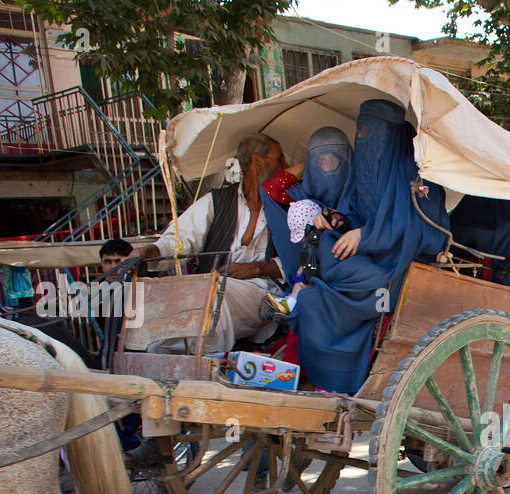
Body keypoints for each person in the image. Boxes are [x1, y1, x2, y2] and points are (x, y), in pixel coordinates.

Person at [288, 98, 449, 392]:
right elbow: (354, 211)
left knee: (322, 295)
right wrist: (339, 222)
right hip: (371, 256)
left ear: (391, 133)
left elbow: (418, 229)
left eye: (369, 132)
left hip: (398, 264)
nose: (362, 139)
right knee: (323, 246)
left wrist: (366, 236)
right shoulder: (367, 169)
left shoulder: (414, 174)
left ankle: (337, 361)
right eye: (359, 132)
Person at [138, 133, 286, 353]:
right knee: (179, 299)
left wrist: (257, 268)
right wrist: (149, 252)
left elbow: (300, 259)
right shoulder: (216, 201)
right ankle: (159, 359)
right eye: (279, 159)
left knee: (215, 298)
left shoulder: (287, 206)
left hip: (261, 291)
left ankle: (206, 362)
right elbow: (180, 240)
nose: (285, 165)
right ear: (258, 162)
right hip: (212, 286)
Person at [260, 127, 353, 283]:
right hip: (307, 275)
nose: (327, 166)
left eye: (333, 159)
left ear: (345, 159)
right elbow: (269, 189)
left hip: (346, 271)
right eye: (321, 160)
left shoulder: (356, 189)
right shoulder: (302, 191)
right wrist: (308, 161)